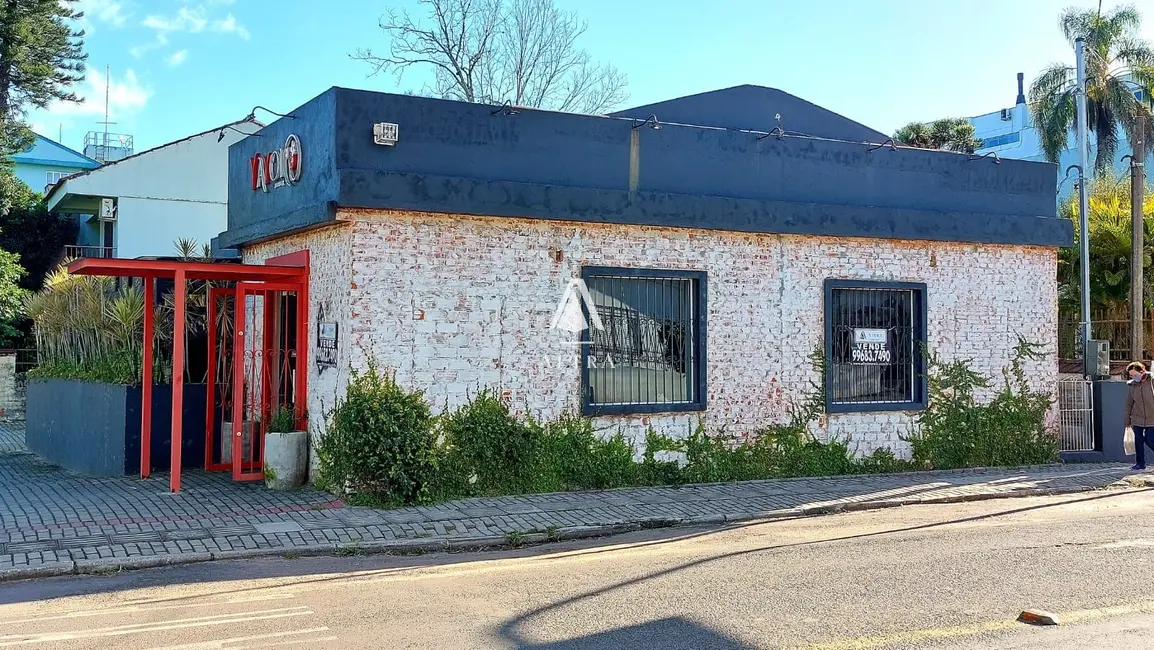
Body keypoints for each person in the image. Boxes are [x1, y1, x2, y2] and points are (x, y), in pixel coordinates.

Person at [1124, 361, 1154, 470]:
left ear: (1142, 372)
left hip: (1152, 417)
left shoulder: (1152, 381)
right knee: (1138, 440)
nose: (1133, 377)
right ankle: (1140, 463)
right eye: (1131, 375)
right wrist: (1127, 421)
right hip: (1137, 417)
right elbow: (1129, 403)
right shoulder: (1132, 385)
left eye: (1135, 375)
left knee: (1150, 439)